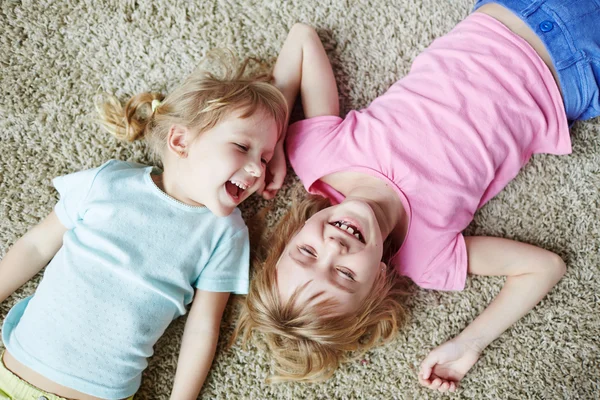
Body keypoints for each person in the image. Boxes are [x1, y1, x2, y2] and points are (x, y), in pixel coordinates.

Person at [233, 0, 599, 393]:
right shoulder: (428, 258)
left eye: (306, 253)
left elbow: (302, 39)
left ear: (293, 234)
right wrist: (469, 342)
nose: (334, 247)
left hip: (515, 9)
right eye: (344, 274)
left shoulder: (316, 157)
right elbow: (544, 267)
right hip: (576, 75)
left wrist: (271, 143)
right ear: (378, 282)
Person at [0, 52, 288, 400]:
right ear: (180, 141)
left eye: (265, 157)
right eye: (243, 146)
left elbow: (202, 327)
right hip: (13, 373)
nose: (257, 169)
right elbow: (36, 245)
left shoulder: (225, 233)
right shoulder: (108, 183)